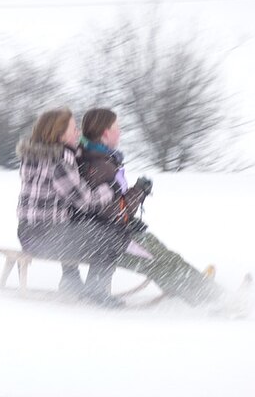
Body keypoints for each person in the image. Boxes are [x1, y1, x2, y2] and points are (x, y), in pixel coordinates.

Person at [71, 108, 222, 306]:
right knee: (159, 259)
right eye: (117, 127)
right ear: (106, 133)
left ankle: (194, 284)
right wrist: (139, 191)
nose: (120, 132)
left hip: (107, 232)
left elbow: (105, 207)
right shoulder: (99, 165)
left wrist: (130, 213)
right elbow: (113, 211)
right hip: (107, 239)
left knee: (159, 252)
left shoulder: (96, 158)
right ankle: (211, 297)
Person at [16, 108, 130, 308]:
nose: (78, 132)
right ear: (60, 135)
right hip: (48, 236)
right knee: (112, 236)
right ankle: (97, 290)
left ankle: (71, 280)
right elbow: (86, 201)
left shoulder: (35, 156)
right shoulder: (59, 162)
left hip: (27, 233)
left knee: (76, 224)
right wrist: (111, 187)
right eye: (74, 129)